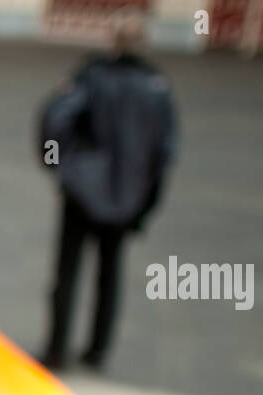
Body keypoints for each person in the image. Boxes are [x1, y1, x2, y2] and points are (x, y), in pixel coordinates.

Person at [37, 8, 178, 370]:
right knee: (110, 274)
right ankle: (98, 349)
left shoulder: (91, 77)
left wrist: (60, 168)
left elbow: (55, 118)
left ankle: (57, 348)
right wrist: (145, 202)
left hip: (83, 192)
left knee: (67, 270)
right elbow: (164, 154)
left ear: (114, 40)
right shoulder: (157, 89)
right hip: (125, 196)